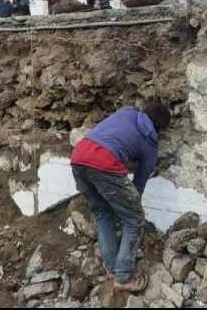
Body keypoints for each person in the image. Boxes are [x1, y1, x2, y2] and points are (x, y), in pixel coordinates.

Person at [70, 102, 172, 292]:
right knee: (134, 219)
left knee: (102, 213)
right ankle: (124, 276)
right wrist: (131, 204)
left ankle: (112, 268)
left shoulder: (127, 111)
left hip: (78, 156)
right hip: (103, 162)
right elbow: (139, 182)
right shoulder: (150, 142)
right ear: (160, 128)